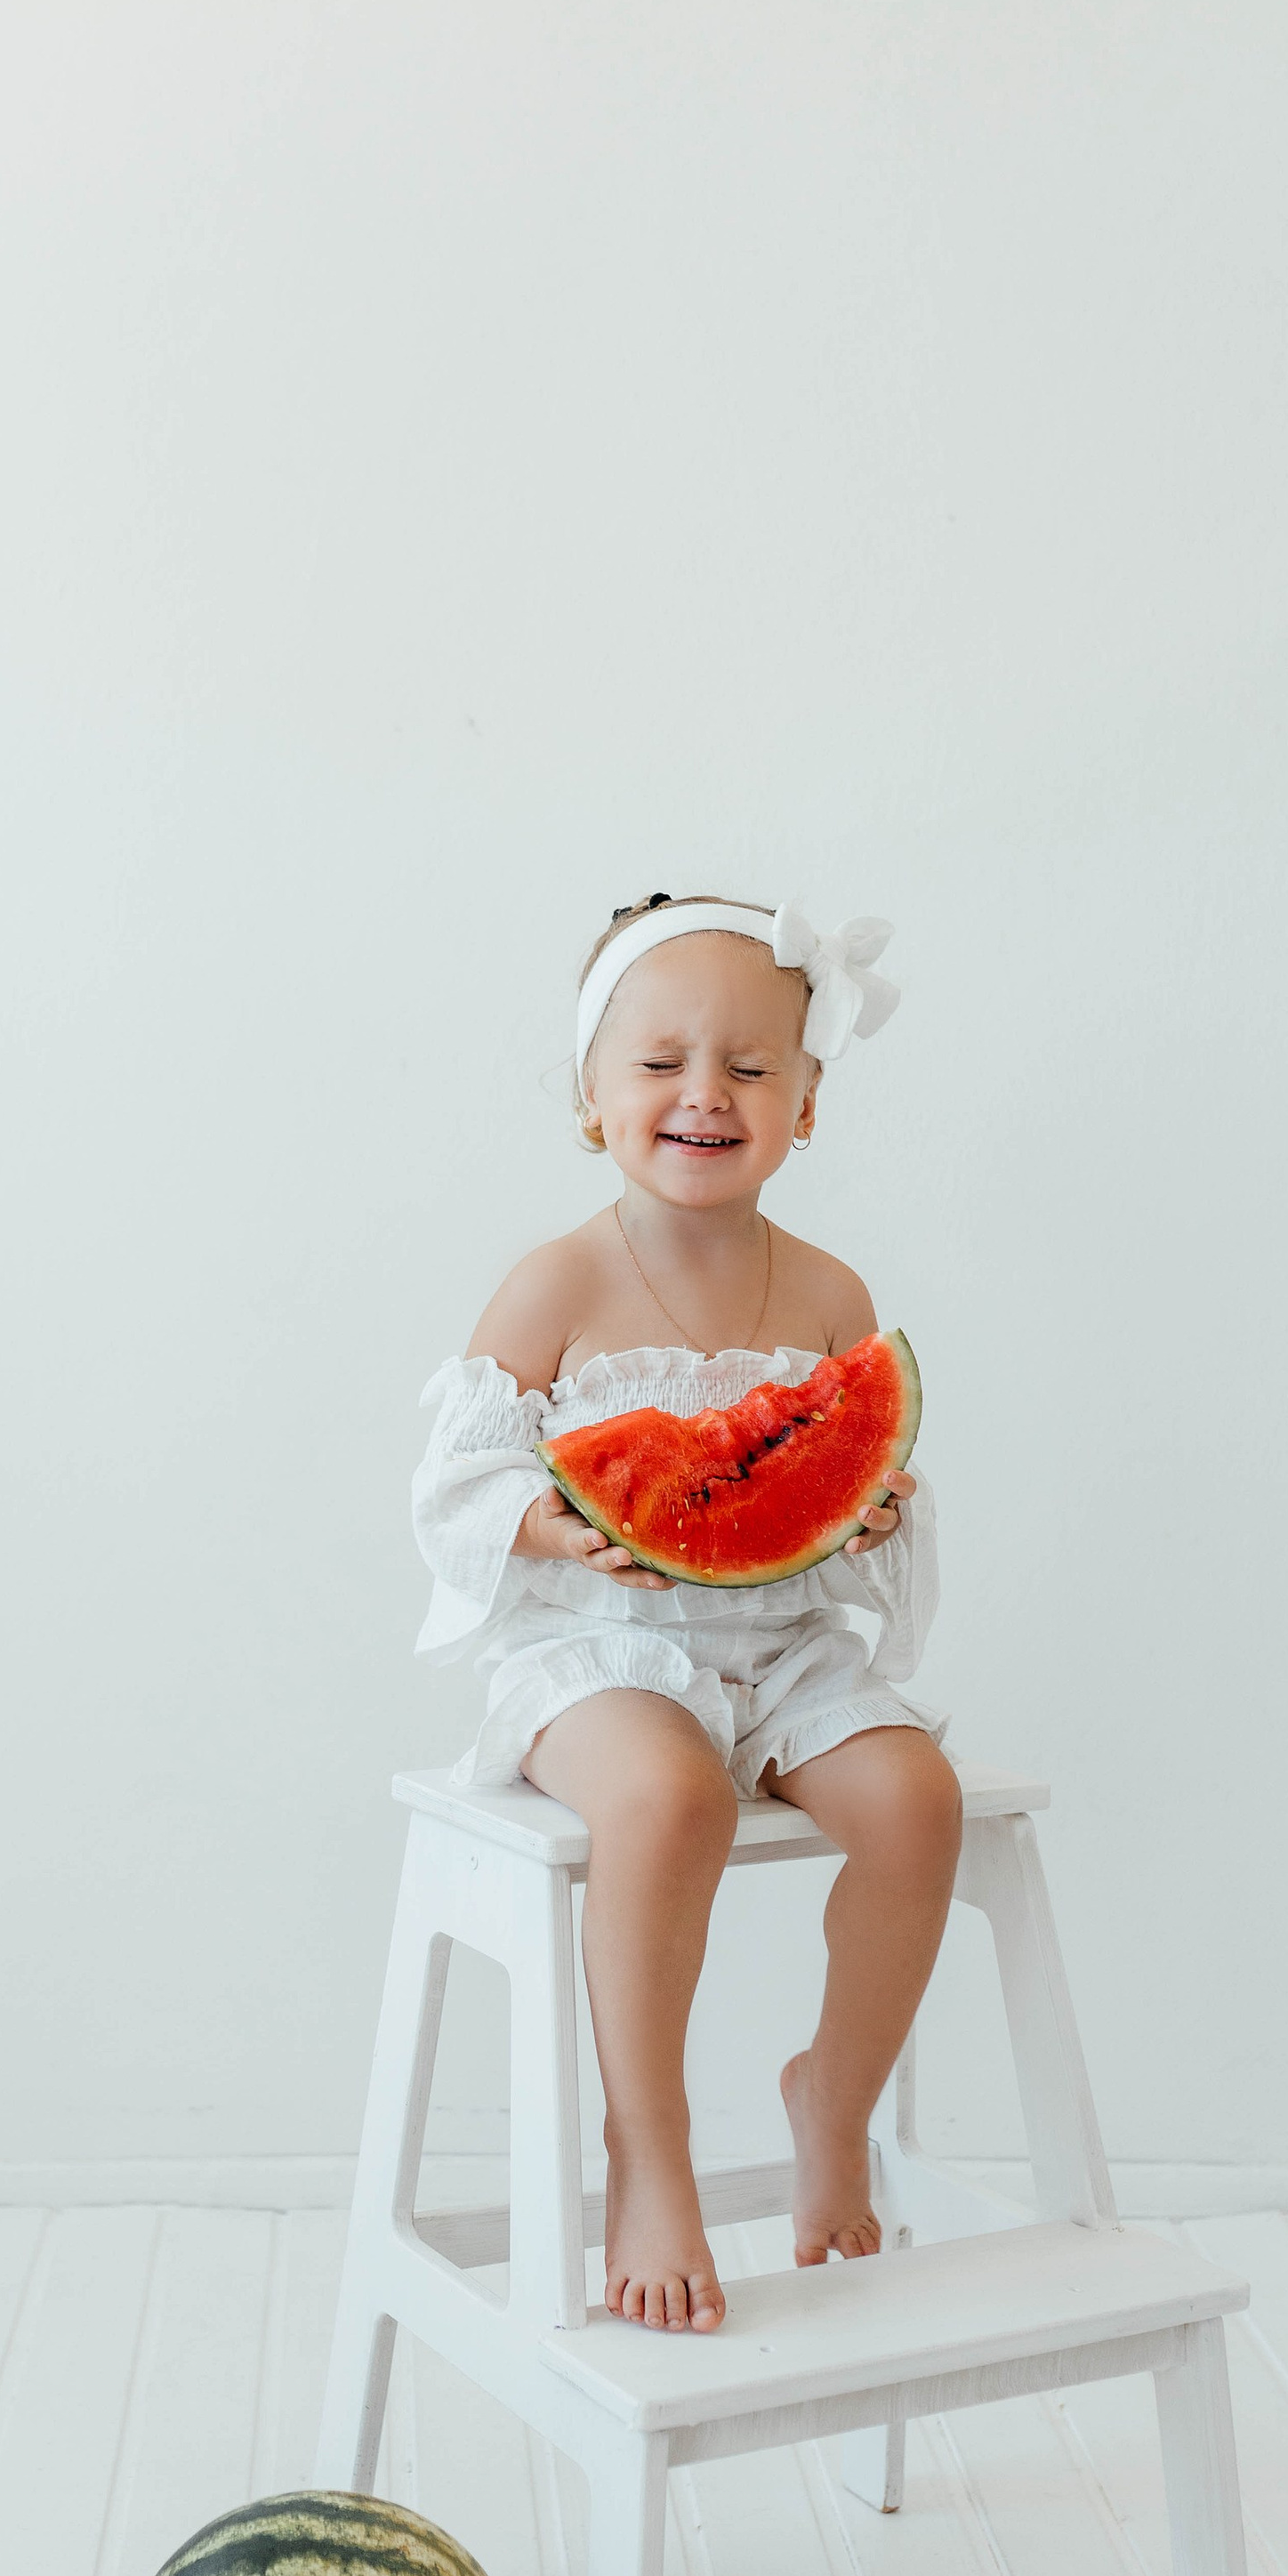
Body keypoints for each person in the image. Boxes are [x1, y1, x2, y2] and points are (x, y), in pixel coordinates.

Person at [413, 894, 962, 2337]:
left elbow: (851, 1479)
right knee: (669, 1800)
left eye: (750, 1066)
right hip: (592, 1655)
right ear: (591, 1098)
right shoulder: (557, 1281)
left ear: (807, 1104)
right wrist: (552, 1520)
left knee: (918, 1801)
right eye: (659, 1063)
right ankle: (646, 2152)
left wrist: (875, 1517)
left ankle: (832, 2099)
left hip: (786, 1649)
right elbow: (456, 1483)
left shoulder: (831, 1293)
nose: (705, 1093)